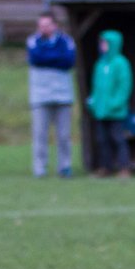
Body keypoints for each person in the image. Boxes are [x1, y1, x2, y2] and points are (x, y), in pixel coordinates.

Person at [27, 11, 77, 179]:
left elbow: (68, 61)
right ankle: (40, 169)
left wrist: (49, 58)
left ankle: (65, 167)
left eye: (47, 25)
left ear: (55, 25)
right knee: (40, 135)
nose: (43, 28)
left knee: (64, 135)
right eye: (40, 25)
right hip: (40, 97)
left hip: (63, 96)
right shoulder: (33, 41)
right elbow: (36, 58)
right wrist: (56, 58)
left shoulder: (66, 41)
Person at [86, 29, 133, 178]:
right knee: (102, 140)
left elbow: (124, 87)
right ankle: (105, 167)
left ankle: (124, 168)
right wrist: (93, 103)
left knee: (118, 139)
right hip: (100, 111)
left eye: (105, 42)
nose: (102, 45)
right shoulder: (100, 64)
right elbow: (96, 87)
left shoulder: (121, 63)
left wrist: (114, 104)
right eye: (101, 42)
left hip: (115, 111)